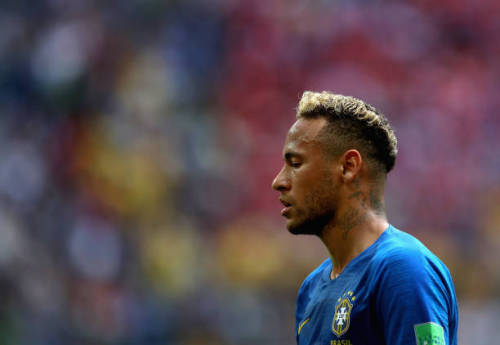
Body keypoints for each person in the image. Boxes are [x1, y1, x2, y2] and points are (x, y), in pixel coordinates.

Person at [271, 91, 458, 345]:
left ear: (348, 167)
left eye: (295, 163)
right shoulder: (311, 289)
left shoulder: (403, 269)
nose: (278, 182)